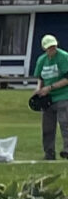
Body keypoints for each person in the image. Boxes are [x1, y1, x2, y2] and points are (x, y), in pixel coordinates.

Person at [33, 33, 68, 161]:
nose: (52, 50)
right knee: (47, 127)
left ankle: (67, 150)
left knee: (65, 124)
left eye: (53, 47)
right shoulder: (41, 60)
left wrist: (51, 87)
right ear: (44, 48)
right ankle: (49, 154)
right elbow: (40, 77)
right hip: (47, 99)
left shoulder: (64, 57)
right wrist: (39, 89)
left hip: (64, 95)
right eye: (49, 48)